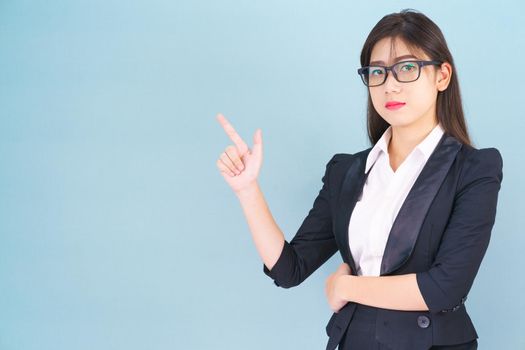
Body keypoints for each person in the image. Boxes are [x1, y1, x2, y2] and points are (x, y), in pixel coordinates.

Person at [215, 9, 503, 350]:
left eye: (408, 68)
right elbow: (289, 269)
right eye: (377, 72)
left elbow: (446, 287)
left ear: (442, 76)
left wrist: (347, 288)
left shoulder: (474, 168)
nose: (390, 84)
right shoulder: (346, 171)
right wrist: (248, 190)